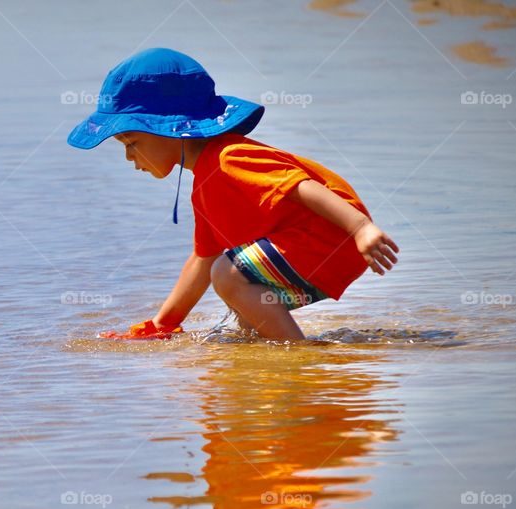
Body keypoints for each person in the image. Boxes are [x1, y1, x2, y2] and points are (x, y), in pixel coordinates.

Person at [67, 48, 399, 341]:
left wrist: (359, 228)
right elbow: (202, 258)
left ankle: (296, 354)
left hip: (332, 238)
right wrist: (163, 324)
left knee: (229, 275)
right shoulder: (204, 183)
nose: (129, 157)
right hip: (320, 245)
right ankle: (276, 354)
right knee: (243, 306)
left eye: (131, 143)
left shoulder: (229, 157)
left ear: (170, 129)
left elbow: (300, 186)